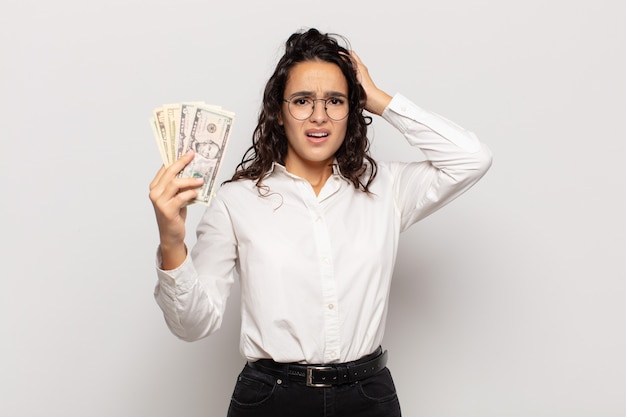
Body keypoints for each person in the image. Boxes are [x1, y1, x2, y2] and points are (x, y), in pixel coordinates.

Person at [149, 28, 492, 417]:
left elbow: (472, 158)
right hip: (271, 400)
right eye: (302, 101)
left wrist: (379, 100)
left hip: (368, 398)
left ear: (352, 108)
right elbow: (192, 325)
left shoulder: (387, 189)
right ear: (278, 112)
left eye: (335, 100)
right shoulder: (236, 201)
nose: (319, 116)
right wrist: (172, 241)